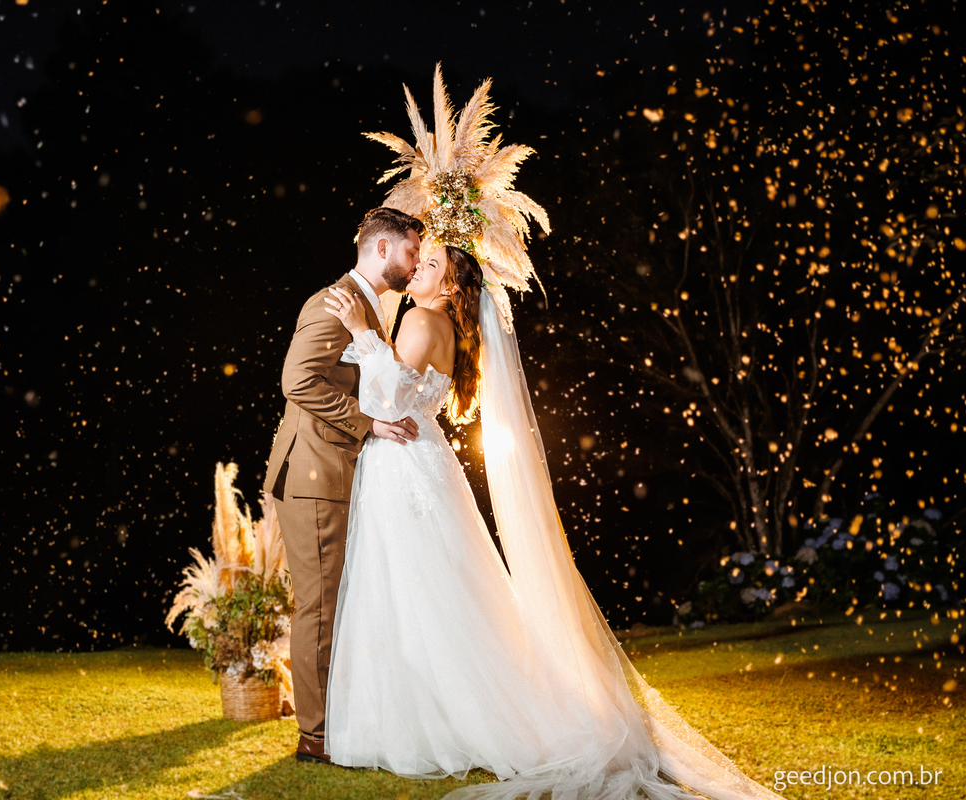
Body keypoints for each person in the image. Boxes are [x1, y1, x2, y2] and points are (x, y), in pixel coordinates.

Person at [321, 244, 787, 800]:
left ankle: (418, 722)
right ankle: (441, 712)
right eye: (420, 260)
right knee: (435, 587)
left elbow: (392, 399)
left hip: (404, 466)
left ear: (449, 287)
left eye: (432, 265)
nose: (418, 266)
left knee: (409, 585)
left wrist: (361, 333)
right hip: (424, 462)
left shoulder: (421, 319)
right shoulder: (446, 327)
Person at [262, 206, 424, 764]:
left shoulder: (366, 308)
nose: (416, 262)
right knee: (321, 607)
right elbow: (296, 379)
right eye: (410, 251)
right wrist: (368, 423)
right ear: (381, 248)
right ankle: (316, 736)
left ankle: (340, 720)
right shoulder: (333, 302)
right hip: (314, 476)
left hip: (338, 474)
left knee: (340, 603)